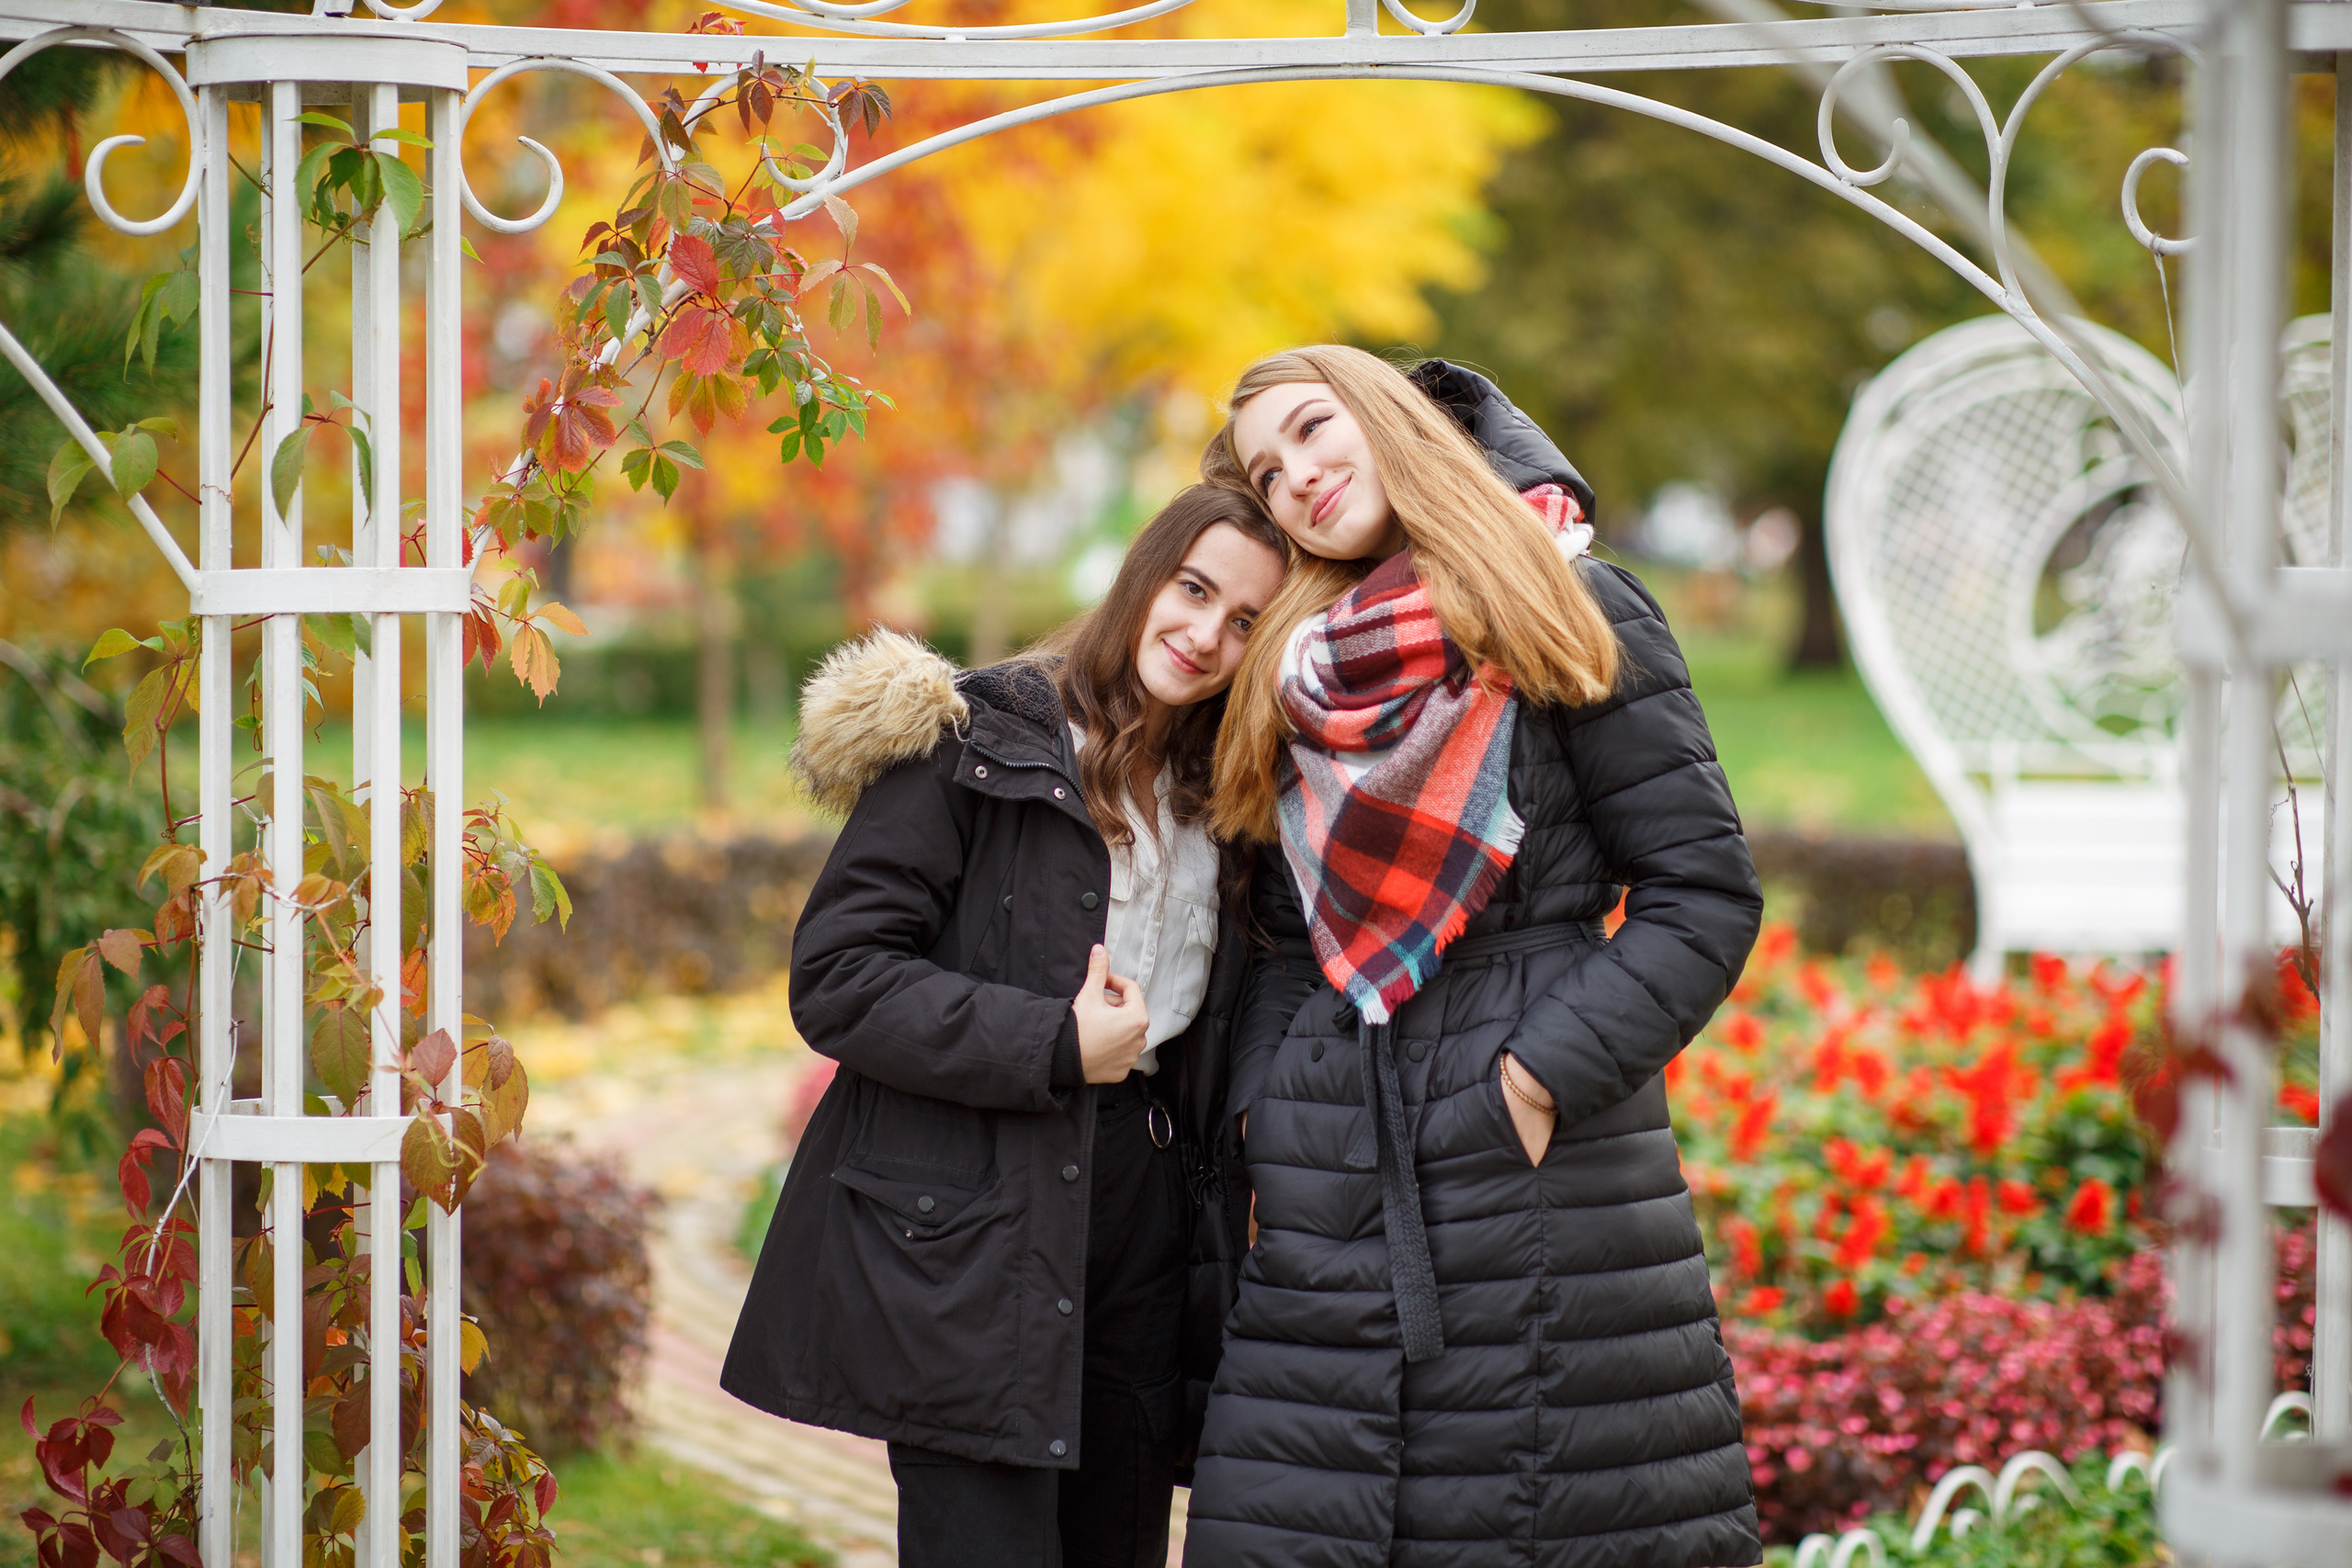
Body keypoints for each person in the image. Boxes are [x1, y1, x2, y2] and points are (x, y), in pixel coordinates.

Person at [1182, 347, 1766, 1568]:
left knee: (1543, 1511)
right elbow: (1288, 931)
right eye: (1266, 471)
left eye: (1310, 429)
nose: (1297, 476)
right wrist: (1267, 1104)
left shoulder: (1573, 599)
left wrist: (1540, 1074)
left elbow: (1700, 890)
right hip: (1329, 1177)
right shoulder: (1298, 668)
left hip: (1542, 1191)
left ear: (1384, 411)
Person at [721, 485, 1289, 1568]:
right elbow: (837, 976)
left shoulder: (1226, 785)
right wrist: (1048, 1043)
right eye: (1194, 590)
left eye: (1246, 622)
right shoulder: (973, 739)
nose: (1206, 634)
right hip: (974, 1221)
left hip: (1142, 1222)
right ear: (1145, 577)